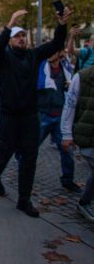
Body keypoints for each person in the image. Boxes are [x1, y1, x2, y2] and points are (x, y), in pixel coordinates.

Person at [0, 8, 71, 217]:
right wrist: (10, 23)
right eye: (17, 36)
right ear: (10, 40)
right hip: (8, 116)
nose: (21, 39)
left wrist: (62, 25)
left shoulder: (33, 56)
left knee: (29, 158)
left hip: (29, 116)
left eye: (23, 35)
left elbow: (55, 45)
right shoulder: (3, 58)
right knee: (3, 153)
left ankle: (24, 199)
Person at [37, 50, 80, 192]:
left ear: (60, 53)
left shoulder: (66, 69)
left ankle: (68, 180)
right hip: (43, 114)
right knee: (30, 148)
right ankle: (24, 175)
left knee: (66, 150)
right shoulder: (40, 67)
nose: (50, 53)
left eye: (54, 50)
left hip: (60, 115)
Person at [61, 65, 94, 222]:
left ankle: (85, 201)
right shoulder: (82, 77)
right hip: (88, 136)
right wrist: (66, 134)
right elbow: (70, 105)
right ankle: (84, 202)